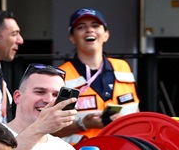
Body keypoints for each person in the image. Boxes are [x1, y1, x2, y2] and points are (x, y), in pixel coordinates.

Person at [58, 8, 140, 142]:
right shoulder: (62, 76)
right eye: (81, 27)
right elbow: (50, 131)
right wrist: (83, 123)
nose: (89, 30)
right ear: (72, 38)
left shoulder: (123, 67)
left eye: (95, 25)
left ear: (106, 34)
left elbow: (136, 112)